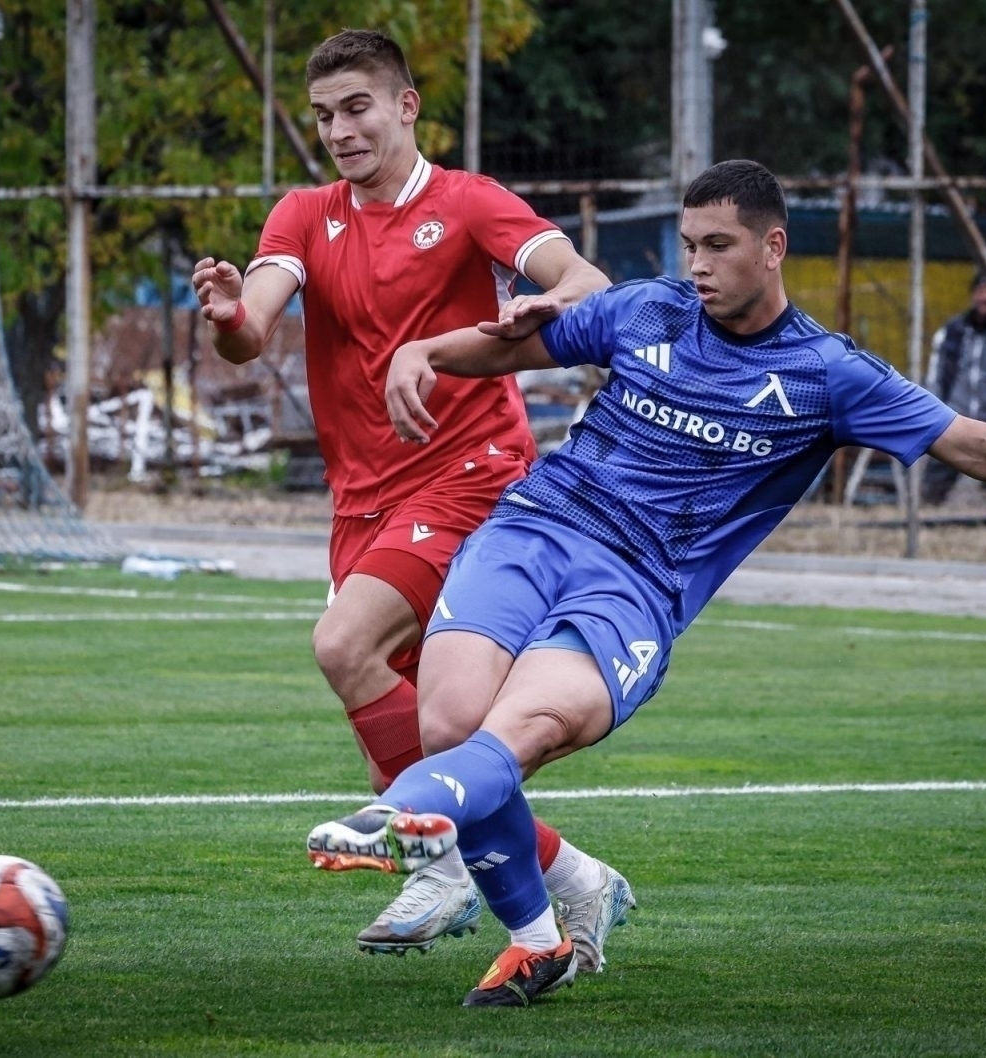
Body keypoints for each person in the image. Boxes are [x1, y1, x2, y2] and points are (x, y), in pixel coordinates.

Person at [304, 160, 986, 1007]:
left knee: (526, 729)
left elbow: (971, 443)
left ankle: (400, 815)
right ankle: (541, 935)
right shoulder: (646, 311)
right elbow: (514, 344)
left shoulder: (826, 373)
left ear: (773, 246)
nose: (698, 266)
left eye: (719, 245)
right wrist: (426, 351)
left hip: (635, 587)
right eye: (689, 246)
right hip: (532, 531)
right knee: (450, 725)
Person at [190, 29, 631, 968]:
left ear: (405, 106)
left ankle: (439, 863)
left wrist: (543, 305)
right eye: (323, 116)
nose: (339, 131)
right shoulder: (304, 215)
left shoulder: (467, 202)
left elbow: (587, 280)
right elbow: (251, 329)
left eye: (356, 108)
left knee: (342, 645)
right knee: (428, 736)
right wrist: (229, 315)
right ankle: (573, 877)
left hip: (473, 475)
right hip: (363, 502)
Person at [921, 271, 986, 504]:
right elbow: (936, 374)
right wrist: (935, 410)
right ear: (972, 295)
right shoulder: (953, 330)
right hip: (954, 419)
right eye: (980, 292)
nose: (985, 298)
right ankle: (928, 512)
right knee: (933, 489)